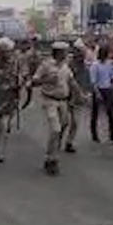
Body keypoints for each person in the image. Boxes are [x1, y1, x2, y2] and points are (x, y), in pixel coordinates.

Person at [30, 41, 74, 175]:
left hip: (63, 101)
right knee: (55, 129)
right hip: (50, 100)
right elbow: (34, 81)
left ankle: (54, 153)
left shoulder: (65, 66)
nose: (66, 54)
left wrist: (80, 95)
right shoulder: (45, 65)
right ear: (58, 53)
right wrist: (47, 80)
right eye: (64, 52)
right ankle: (50, 158)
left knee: (63, 127)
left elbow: (71, 81)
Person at [89, 45, 113, 143]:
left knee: (111, 113)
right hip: (99, 88)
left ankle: (112, 134)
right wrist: (97, 93)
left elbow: (112, 76)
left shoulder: (109, 64)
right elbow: (93, 81)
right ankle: (94, 134)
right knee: (95, 113)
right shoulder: (95, 65)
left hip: (108, 89)